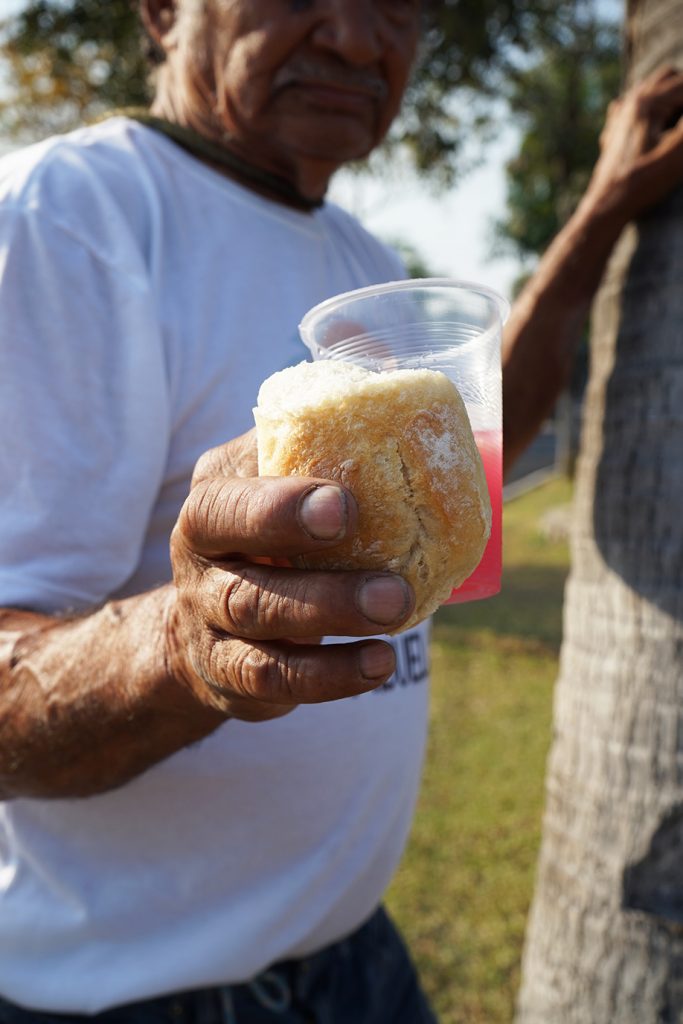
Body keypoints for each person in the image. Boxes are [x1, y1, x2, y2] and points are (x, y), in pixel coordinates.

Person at [0, 1, 682, 1020]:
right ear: (160, 10)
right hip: (128, 994)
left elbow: (479, 452)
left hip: (354, 959)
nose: (358, 40)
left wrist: (596, 215)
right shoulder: (69, 218)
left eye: (396, 6)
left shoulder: (363, 265)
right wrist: (190, 643)